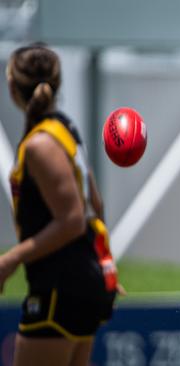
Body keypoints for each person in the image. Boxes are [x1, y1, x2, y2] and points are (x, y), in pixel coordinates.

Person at [0, 43, 119, 366]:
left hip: (59, 285)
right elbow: (96, 203)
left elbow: (72, 220)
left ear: (13, 87)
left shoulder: (41, 144)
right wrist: (104, 263)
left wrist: (9, 261)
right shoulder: (64, 129)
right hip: (80, 281)